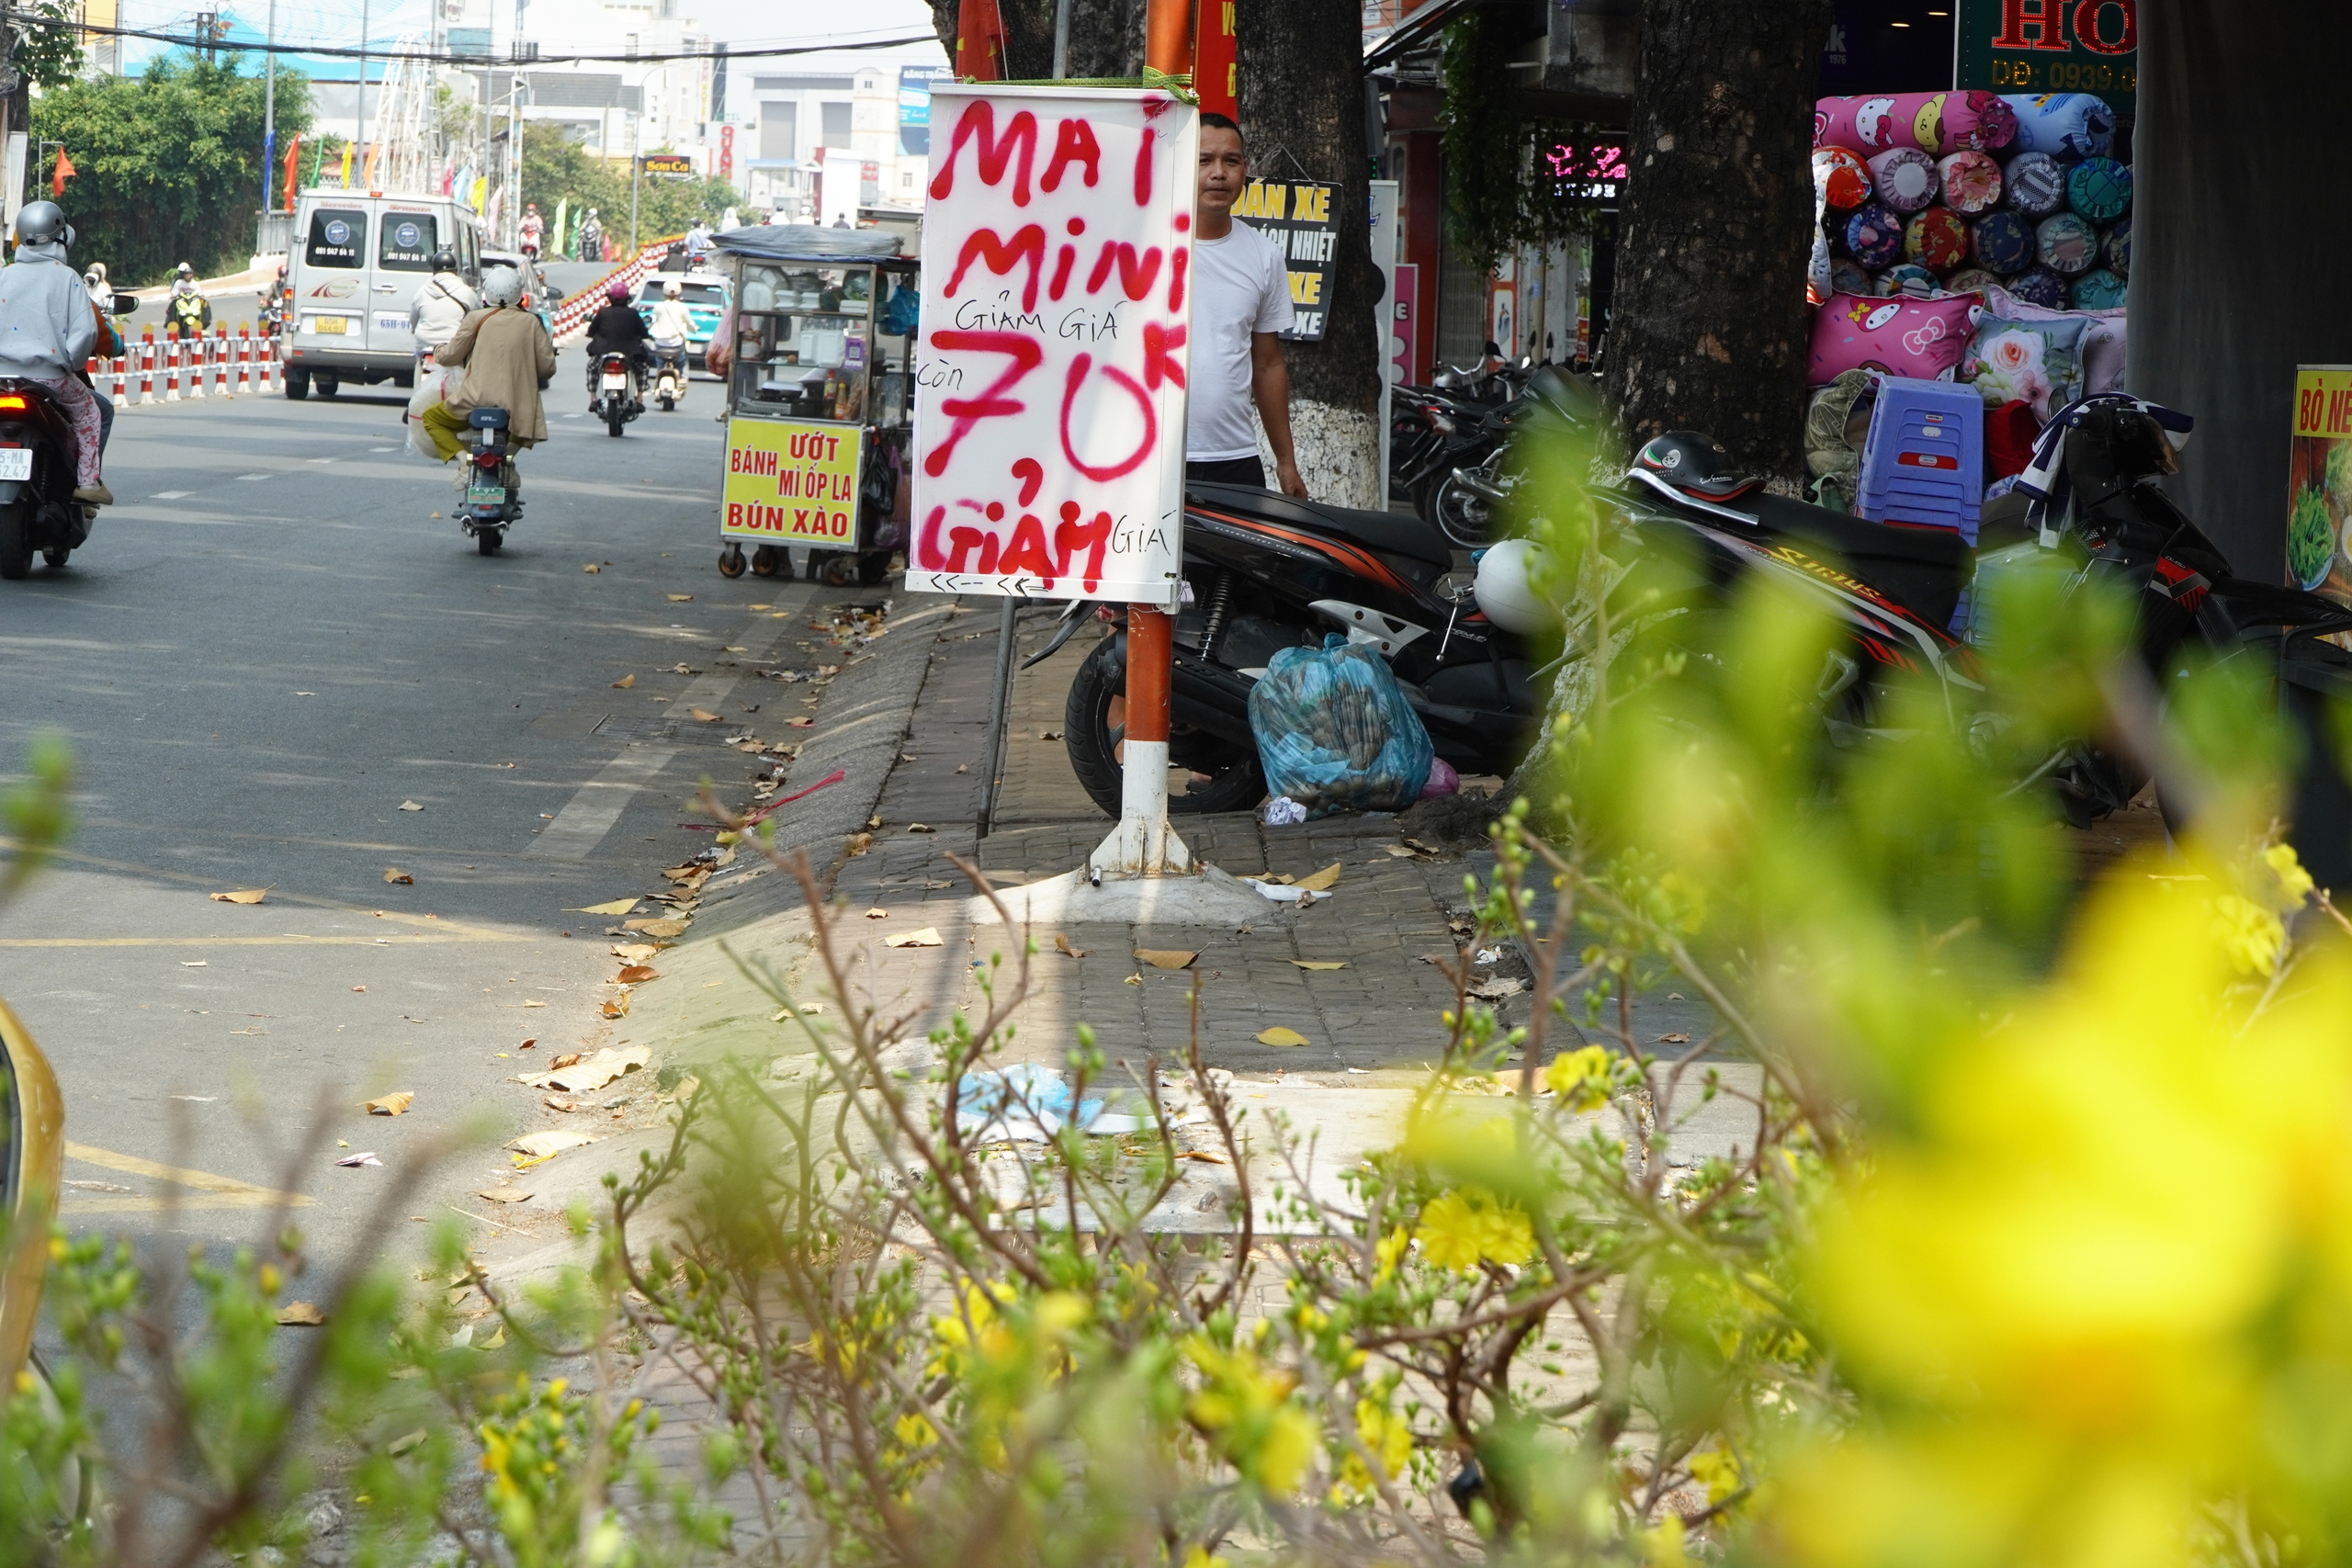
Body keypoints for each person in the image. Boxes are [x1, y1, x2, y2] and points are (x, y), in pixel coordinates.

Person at [1185, 111, 1306, 498]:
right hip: (1148, 456)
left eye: (1231, 161)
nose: (1218, 173)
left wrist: (1286, 462)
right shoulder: (1141, 248)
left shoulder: (1264, 255)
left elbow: (1268, 363)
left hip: (1233, 458)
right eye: (1204, 160)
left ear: (1245, 170)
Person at [0, 202, 109, 504]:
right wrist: (71, 364)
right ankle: (87, 482)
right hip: (49, 377)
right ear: (60, 235)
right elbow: (85, 333)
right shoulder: (68, 278)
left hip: (1, 377)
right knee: (89, 412)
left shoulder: (3, 276)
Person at [419, 265, 553, 462]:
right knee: (527, 417)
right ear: (519, 293)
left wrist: (439, 349)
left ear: (487, 292)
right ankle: (507, 459)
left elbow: (450, 357)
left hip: (473, 401)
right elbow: (547, 368)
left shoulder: (475, 318)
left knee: (432, 418)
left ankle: (464, 462)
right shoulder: (531, 322)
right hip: (516, 404)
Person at [582, 279, 651, 410]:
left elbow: (591, 331)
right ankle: (640, 398)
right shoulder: (633, 313)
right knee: (642, 369)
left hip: (603, 352)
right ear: (627, 299)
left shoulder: (603, 312)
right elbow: (643, 332)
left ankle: (593, 397)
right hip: (629, 353)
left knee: (592, 368)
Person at [409, 247, 479, 368]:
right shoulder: (467, 293)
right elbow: (478, 318)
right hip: (453, 347)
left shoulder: (422, 291)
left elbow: (413, 321)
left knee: (419, 371)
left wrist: (416, 332)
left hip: (425, 345)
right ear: (456, 271)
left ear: (434, 272)